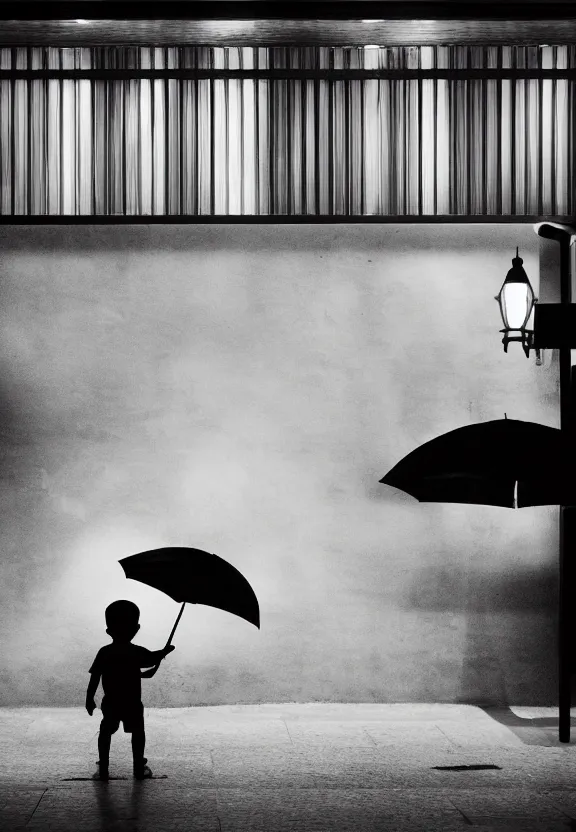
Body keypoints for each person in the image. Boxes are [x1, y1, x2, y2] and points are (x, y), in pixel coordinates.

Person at [86, 600, 175, 781]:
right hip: (132, 702)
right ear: (136, 629)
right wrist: (164, 651)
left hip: (111, 701)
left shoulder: (104, 652)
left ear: (108, 631)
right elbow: (150, 659)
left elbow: (95, 676)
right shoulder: (136, 652)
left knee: (105, 731)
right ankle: (138, 766)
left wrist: (89, 698)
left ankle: (103, 766)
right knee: (138, 732)